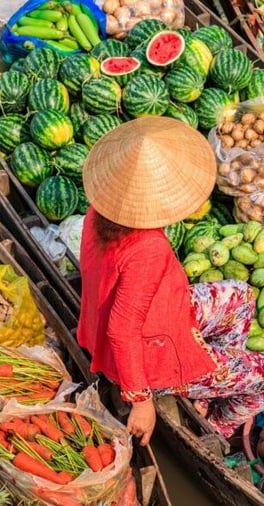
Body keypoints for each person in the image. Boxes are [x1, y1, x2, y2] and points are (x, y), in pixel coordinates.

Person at [77, 116, 263, 447]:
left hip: (161, 315)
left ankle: (208, 386)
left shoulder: (100, 210)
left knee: (241, 296)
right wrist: (141, 401)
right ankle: (216, 431)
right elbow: (122, 330)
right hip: (149, 357)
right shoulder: (148, 247)